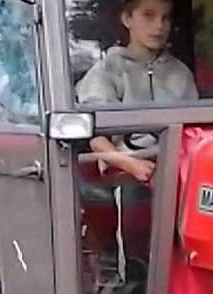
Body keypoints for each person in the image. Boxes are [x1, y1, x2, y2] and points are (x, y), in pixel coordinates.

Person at [75, 0, 199, 182]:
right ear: (127, 19)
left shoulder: (181, 73)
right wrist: (130, 165)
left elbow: (195, 130)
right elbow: (97, 139)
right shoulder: (107, 70)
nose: (159, 26)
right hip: (125, 171)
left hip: (178, 165)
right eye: (148, 15)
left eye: (166, 18)